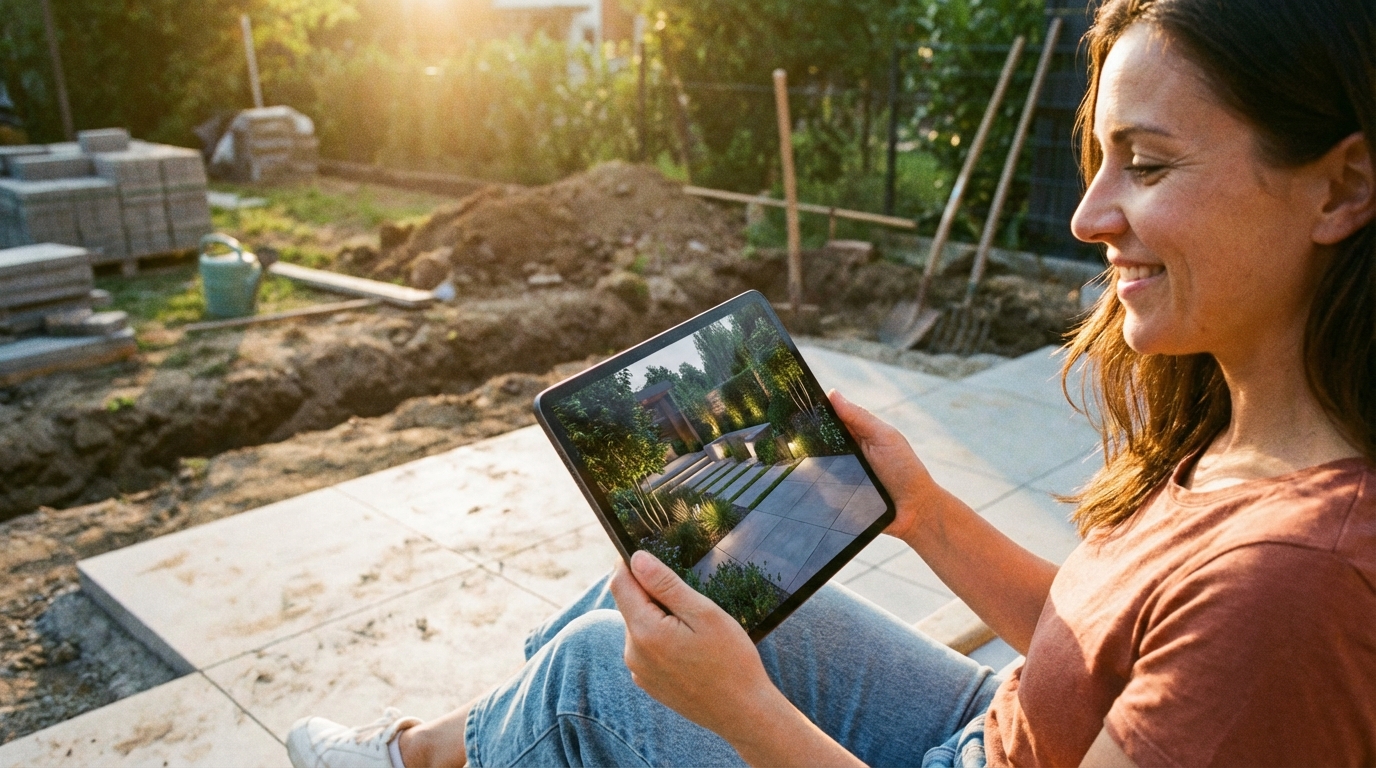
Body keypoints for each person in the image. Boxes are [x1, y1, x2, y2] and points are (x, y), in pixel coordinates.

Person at [285, 0, 1376, 765]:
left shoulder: (1291, 587)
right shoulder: (1235, 436)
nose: (1089, 216)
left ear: (1340, 187)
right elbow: (1104, 644)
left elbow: (1213, 643)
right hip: (1001, 722)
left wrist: (745, 717)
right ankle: (445, 753)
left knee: (594, 678)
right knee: (661, 596)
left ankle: (429, 761)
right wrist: (923, 512)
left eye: (1145, 163)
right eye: (1095, 159)